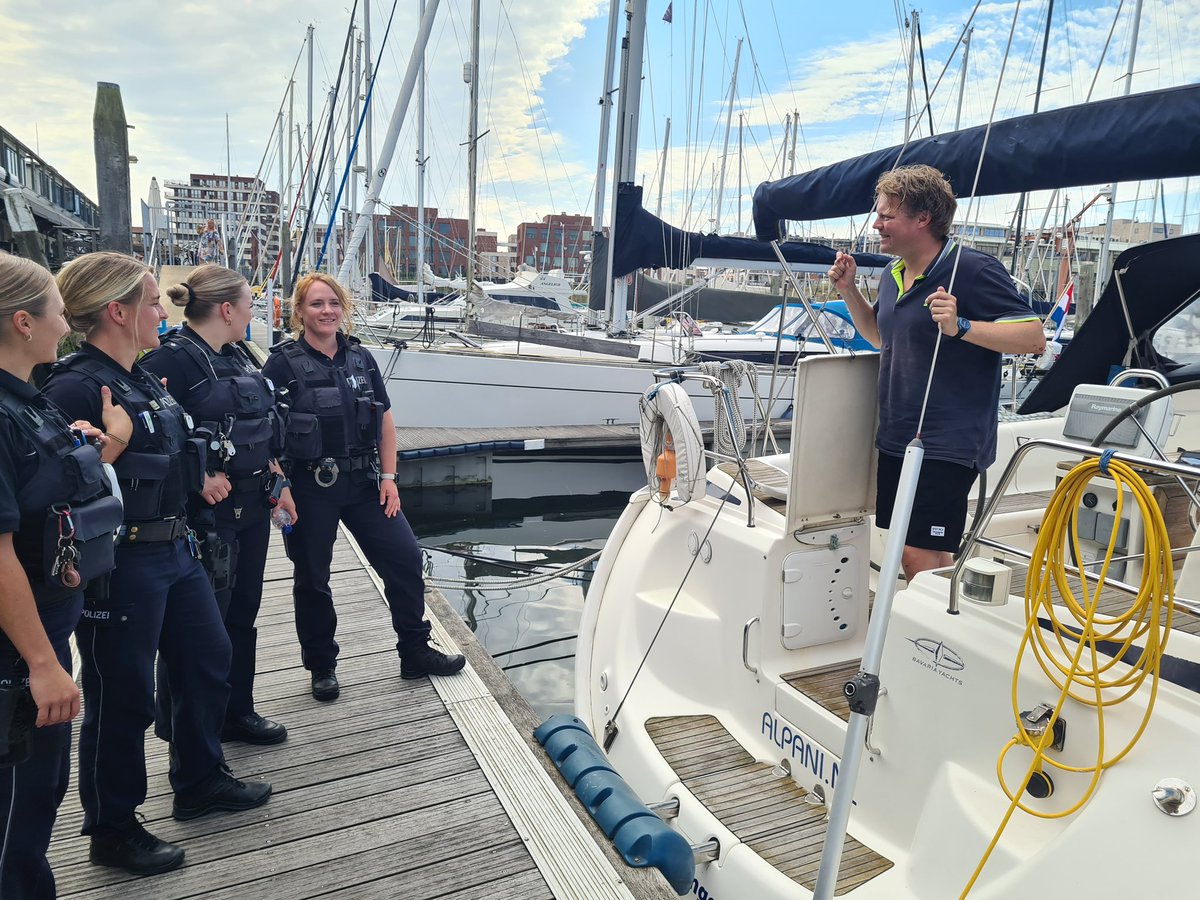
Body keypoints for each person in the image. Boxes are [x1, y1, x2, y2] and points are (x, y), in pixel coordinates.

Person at [45, 252, 271, 877]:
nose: (161, 312)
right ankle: (112, 827)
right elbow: (58, 491)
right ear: (117, 311)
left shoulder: (142, 377)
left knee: (208, 659)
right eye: (149, 302)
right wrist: (112, 446)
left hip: (176, 547)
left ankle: (199, 779)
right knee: (123, 695)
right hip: (123, 562)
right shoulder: (74, 387)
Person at [828, 165, 1045, 581]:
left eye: (888, 216)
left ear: (923, 219)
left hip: (948, 441)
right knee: (916, 550)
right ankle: (938, 618)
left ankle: (920, 622)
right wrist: (849, 290)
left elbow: (1034, 338)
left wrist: (960, 327)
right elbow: (878, 336)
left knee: (916, 552)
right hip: (898, 435)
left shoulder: (973, 269)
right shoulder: (893, 274)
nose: (877, 224)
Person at [261, 273, 464, 701]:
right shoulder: (281, 365)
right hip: (309, 488)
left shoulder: (361, 358)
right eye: (317, 304)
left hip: (364, 483)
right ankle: (322, 666)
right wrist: (281, 488)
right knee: (312, 578)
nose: (327, 311)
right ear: (300, 312)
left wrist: (389, 478)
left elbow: (385, 422)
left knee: (404, 558)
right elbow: (265, 435)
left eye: (334, 303)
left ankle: (414, 651)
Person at [0, 252, 124, 898]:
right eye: (56, 309)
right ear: (24, 322)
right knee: (14, 818)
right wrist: (43, 665)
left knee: (41, 798)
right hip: (19, 656)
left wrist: (98, 446)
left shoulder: (29, 402)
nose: (66, 323)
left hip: (44, 635)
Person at [141, 264, 297, 746]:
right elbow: (147, 441)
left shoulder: (239, 355)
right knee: (198, 629)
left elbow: (260, 428)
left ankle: (236, 712)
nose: (253, 312)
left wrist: (279, 481)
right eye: (250, 304)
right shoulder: (170, 363)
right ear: (227, 310)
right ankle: (187, 734)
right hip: (204, 520)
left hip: (252, 507)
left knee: (242, 615)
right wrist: (197, 475)